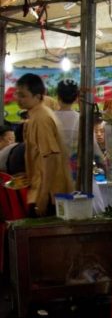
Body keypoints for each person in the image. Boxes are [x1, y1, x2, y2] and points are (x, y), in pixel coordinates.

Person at [15, 73, 74, 217]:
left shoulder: (41, 118)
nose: (18, 99)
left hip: (48, 194)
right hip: (43, 189)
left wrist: (43, 196)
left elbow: (51, 157)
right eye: (18, 94)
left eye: (23, 95)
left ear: (37, 96)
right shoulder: (37, 115)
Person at [54, 79, 80, 179]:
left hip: (53, 175)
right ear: (76, 98)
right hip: (75, 175)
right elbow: (94, 149)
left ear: (58, 96)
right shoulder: (81, 119)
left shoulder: (49, 118)